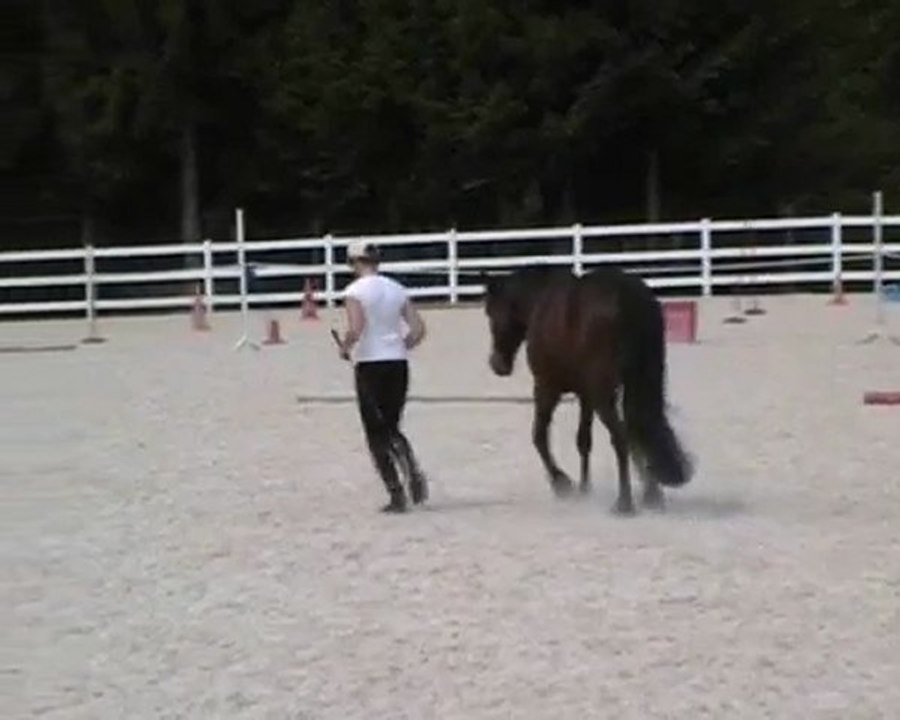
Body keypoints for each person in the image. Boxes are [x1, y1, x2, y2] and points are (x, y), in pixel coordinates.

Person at [336, 240, 429, 513]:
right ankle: (410, 465)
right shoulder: (396, 288)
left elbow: (357, 326)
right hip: (397, 362)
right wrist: (401, 345)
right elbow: (418, 329)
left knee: (375, 432)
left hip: (370, 363)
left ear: (355, 262)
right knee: (392, 425)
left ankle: (396, 493)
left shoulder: (354, 291)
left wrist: (345, 346)